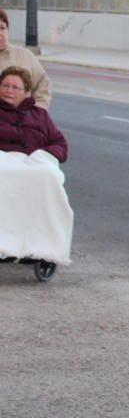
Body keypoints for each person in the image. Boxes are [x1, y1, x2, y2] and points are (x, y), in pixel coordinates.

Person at [0, 65, 73, 267]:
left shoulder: (40, 116)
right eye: (5, 85)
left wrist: (46, 156)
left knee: (48, 176)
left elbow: (60, 144)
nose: (9, 90)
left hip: (34, 165)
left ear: (26, 92)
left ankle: (44, 244)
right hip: (4, 164)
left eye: (15, 87)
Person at [0, 8, 52, 109]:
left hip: (21, 122)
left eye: (2, 28)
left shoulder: (25, 56)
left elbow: (43, 83)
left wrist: (36, 111)